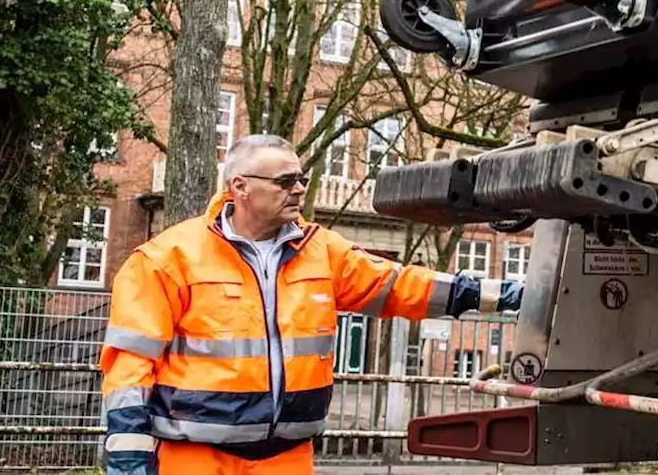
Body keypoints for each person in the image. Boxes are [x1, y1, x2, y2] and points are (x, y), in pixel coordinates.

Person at [98, 134, 523, 474]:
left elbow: (403, 286)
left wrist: (503, 296)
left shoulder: (321, 251)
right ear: (239, 187)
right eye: (285, 181)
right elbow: (129, 370)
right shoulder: (167, 259)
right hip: (195, 460)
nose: (299, 189)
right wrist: (129, 460)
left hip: (288, 459)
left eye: (301, 178)